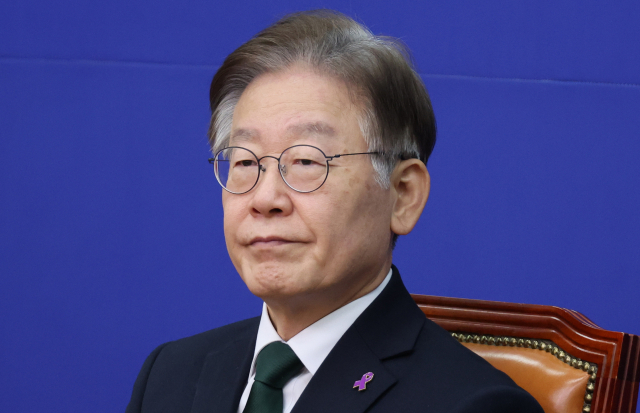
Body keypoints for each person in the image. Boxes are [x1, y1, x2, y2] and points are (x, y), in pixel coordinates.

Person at [126, 10, 543, 413]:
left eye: (307, 161)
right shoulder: (170, 375)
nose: (265, 198)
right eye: (247, 161)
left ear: (403, 195)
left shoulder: (474, 405)